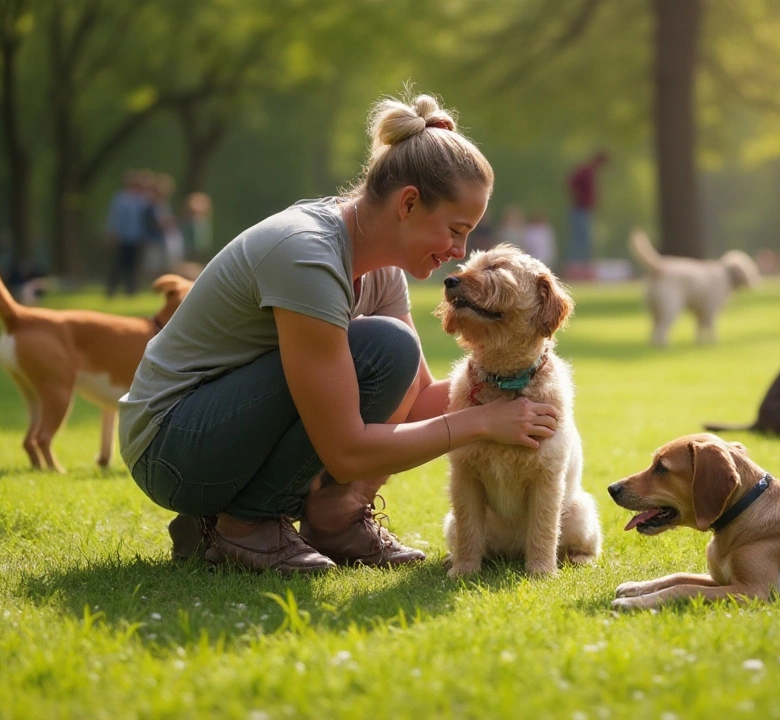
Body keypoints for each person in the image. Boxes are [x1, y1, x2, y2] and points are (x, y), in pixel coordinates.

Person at [118, 93, 561, 575]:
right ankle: (246, 524)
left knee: (391, 351)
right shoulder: (306, 254)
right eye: (456, 230)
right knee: (388, 346)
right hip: (171, 443)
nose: (459, 251)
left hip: (212, 439)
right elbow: (346, 450)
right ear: (408, 203)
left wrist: (516, 376)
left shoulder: (382, 269)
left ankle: (320, 521)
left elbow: (416, 403)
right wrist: (481, 422)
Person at [105, 169, 154, 297]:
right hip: (123, 236)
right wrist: (113, 234)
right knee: (119, 264)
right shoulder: (121, 198)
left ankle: (131, 290)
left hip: (137, 237)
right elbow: (114, 217)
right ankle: (112, 289)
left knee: (133, 266)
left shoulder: (143, 200)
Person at [565, 151, 607, 280]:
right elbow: (570, 184)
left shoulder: (589, 171)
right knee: (581, 240)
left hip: (584, 210)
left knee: (583, 239)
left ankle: (581, 268)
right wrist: (581, 197)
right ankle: (578, 269)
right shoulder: (586, 171)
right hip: (580, 209)